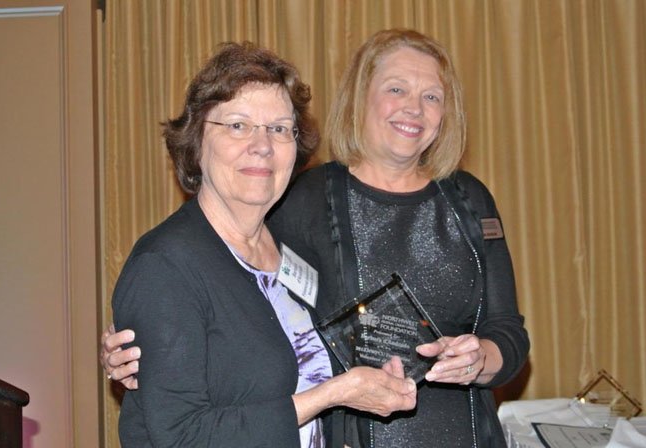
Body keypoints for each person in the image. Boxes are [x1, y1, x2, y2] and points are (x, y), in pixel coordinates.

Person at [102, 29, 530, 447]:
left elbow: (507, 328)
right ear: (360, 98)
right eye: (397, 89)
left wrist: (482, 360)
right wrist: (148, 347)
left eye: (432, 96)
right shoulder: (298, 201)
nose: (262, 146)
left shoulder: (468, 200)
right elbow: (192, 287)